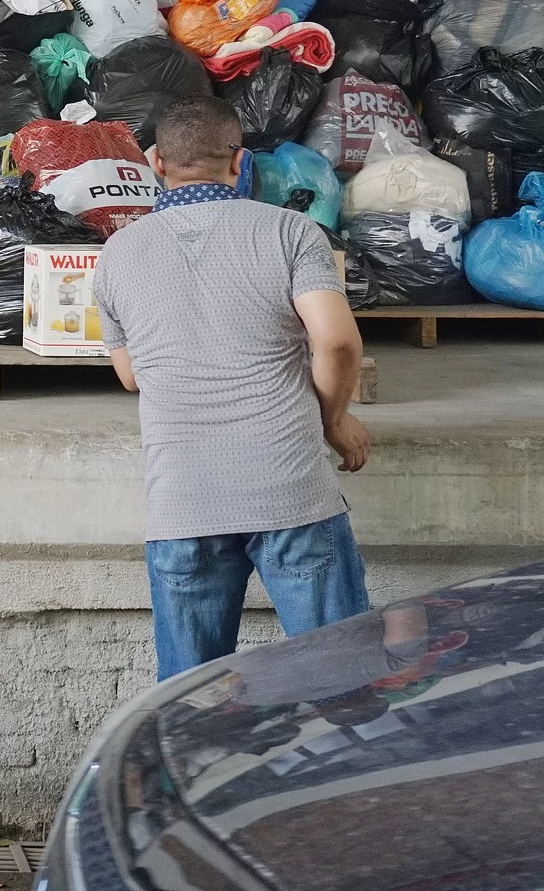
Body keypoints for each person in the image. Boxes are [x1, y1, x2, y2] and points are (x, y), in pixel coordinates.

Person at [93, 94, 373, 681]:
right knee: (342, 684)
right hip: (291, 492)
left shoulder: (117, 253)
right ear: (240, 161)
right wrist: (334, 420)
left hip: (184, 503)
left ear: (155, 164)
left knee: (186, 705)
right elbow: (339, 342)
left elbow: (131, 376)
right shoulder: (291, 231)